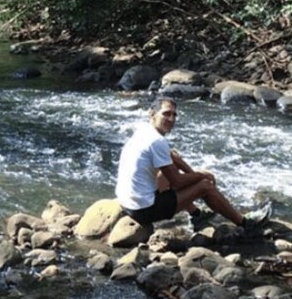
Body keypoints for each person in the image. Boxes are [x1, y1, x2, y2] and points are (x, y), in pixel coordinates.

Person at [115, 97, 270, 232]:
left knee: (172, 162)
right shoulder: (157, 141)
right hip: (143, 210)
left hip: (128, 202)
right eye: (166, 114)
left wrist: (192, 174)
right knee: (205, 187)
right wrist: (202, 177)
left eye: (174, 115)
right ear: (152, 114)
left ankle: (196, 215)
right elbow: (177, 181)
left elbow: (171, 157)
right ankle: (246, 224)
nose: (171, 119)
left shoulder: (144, 130)